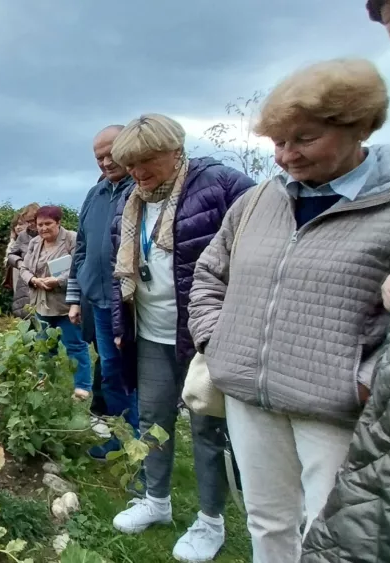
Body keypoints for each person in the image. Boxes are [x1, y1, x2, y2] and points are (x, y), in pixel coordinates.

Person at [188, 59, 390, 563]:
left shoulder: (389, 206)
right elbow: (209, 274)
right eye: (278, 142)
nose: (285, 156)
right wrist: (219, 342)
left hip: (336, 408)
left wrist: (362, 377)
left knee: (330, 533)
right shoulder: (259, 200)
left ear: (358, 126)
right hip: (249, 397)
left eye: (303, 139)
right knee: (266, 519)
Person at [108, 114, 254, 562]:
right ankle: (157, 502)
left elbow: (260, 249)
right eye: (130, 164)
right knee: (153, 422)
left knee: (209, 428)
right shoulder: (130, 202)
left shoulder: (223, 185)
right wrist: (119, 325)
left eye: (147, 161)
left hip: (206, 337)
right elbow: (122, 272)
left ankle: (210, 522)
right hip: (150, 332)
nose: (138, 172)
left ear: (175, 151)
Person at [67, 125, 140, 458]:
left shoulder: (140, 191)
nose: (107, 162)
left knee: (129, 373)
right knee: (110, 372)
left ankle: (139, 443)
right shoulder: (94, 195)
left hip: (127, 303)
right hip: (97, 301)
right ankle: (120, 437)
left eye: (112, 153)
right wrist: (76, 294)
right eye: (100, 157)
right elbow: (81, 247)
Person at [15, 206, 92, 399]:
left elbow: (80, 266)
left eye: (48, 224)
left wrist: (58, 281)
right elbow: (24, 267)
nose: (43, 228)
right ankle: (45, 383)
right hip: (42, 303)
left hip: (67, 304)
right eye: (40, 224)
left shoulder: (72, 239)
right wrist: (33, 280)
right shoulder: (34, 243)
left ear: (58, 223)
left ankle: (82, 388)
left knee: (75, 345)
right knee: (44, 346)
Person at [6, 202, 40, 314]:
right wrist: (19, 263)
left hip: (45, 279)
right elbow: (11, 254)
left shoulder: (47, 233)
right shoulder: (23, 236)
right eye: (28, 221)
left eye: (33, 220)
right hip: (26, 281)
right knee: (26, 314)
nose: (31, 224)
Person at [5, 212, 31, 317]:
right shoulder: (15, 241)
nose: (18, 227)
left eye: (21, 224)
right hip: (17, 272)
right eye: (15, 225)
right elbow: (9, 257)